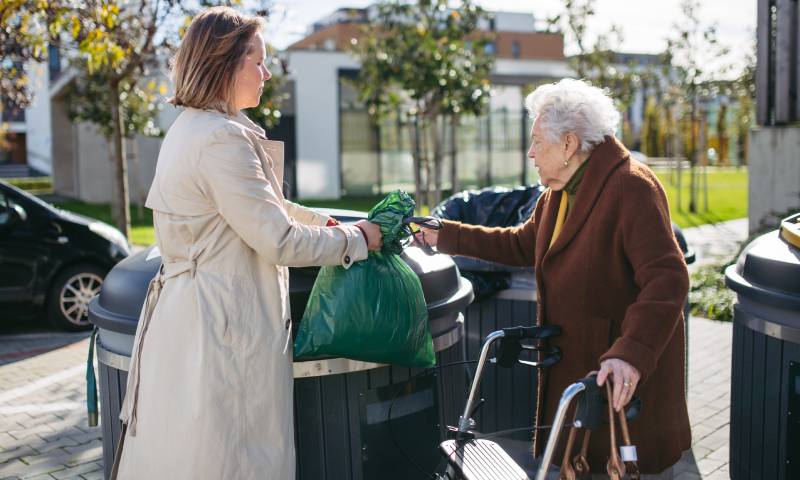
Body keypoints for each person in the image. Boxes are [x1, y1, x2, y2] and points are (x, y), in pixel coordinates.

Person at [113, 7, 382, 479]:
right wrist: (356, 239)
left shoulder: (193, 129)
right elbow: (279, 239)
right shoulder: (221, 139)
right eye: (256, 60)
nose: (266, 71)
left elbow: (266, 206)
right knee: (232, 460)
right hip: (222, 331)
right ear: (222, 64)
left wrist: (329, 222)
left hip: (196, 321)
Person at [417, 79, 691, 478]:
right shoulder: (559, 193)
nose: (530, 153)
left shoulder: (632, 187)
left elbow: (667, 279)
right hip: (579, 376)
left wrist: (630, 353)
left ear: (568, 144)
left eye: (537, 142)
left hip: (618, 383)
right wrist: (447, 235)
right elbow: (523, 244)